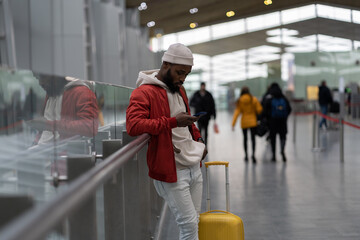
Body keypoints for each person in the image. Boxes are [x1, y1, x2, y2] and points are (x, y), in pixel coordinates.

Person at [126, 43, 207, 240]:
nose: (182, 79)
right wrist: (172, 122)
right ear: (165, 65)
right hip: (171, 171)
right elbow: (133, 125)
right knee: (188, 226)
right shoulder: (143, 92)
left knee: (194, 222)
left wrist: (199, 140)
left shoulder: (180, 90)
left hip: (193, 165)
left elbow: (188, 122)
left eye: (186, 74)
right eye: (180, 73)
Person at [27, 74, 99, 144]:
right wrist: (36, 142)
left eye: (43, 77)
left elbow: (89, 127)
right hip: (45, 150)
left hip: (64, 151)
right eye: (37, 78)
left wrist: (48, 125)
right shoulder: (51, 93)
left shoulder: (82, 92)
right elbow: (46, 129)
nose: (40, 83)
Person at [231, 86, 262, 163]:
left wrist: (233, 124)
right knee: (253, 139)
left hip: (244, 122)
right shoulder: (253, 99)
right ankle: (253, 155)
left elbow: (237, 113)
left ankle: (246, 156)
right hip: (253, 122)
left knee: (245, 139)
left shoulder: (240, 100)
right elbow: (259, 110)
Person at [263, 83, 292, 162]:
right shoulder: (283, 98)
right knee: (283, 137)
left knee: (273, 139)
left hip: (273, 122)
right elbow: (289, 109)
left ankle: (274, 155)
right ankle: (282, 150)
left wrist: (268, 119)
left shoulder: (269, 98)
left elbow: (265, 111)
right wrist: (285, 117)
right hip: (282, 121)